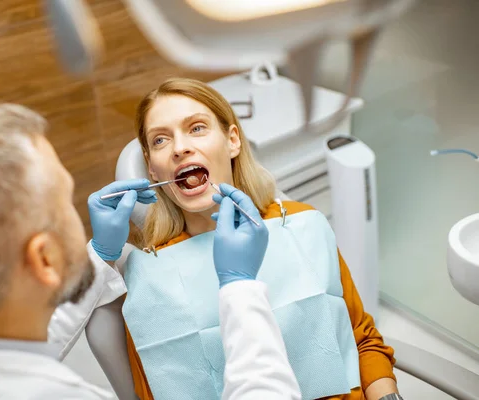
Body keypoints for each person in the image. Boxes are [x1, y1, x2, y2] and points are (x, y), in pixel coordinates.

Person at [0, 103, 302, 399]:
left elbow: (11, 346)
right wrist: (241, 288)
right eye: (64, 199)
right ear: (44, 259)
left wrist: (101, 252)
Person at [78, 78, 401, 400]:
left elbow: (362, 340)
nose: (179, 148)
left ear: (233, 141)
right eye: (161, 140)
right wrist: (102, 251)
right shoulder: (147, 277)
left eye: (197, 128)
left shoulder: (302, 225)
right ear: (152, 169)